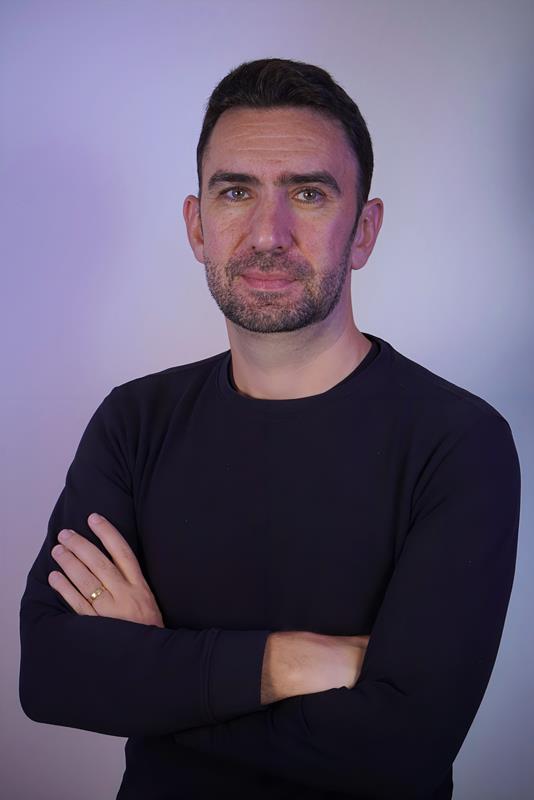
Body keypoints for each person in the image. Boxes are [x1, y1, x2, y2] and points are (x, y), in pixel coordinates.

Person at [19, 58, 521, 800]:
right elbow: (51, 674)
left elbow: (404, 746)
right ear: (197, 226)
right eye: (235, 192)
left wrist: (156, 671)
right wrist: (284, 663)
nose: (267, 233)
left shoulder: (458, 442)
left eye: (309, 194)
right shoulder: (134, 420)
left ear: (363, 231)